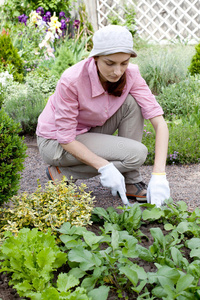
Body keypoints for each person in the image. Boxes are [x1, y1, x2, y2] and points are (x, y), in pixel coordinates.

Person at [36, 25, 170, 207]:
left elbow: (159, 123)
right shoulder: (72, 80)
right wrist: (104, 166)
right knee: (136, 154)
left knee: (133, 103)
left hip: (86, 131)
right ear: (95, 57)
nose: (117, 71)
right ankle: (62, 173)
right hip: (55, 143)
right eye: (110, 63)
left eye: (124, 63)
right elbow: (65, 138)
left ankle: (130, 180)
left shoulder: (131, 75)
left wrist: (159, 175)